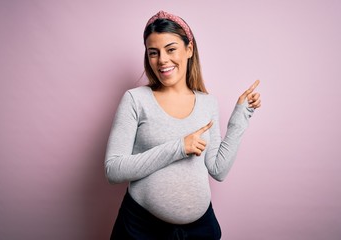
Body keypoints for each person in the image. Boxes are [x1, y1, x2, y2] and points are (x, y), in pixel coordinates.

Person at [105, 10, 261, 240]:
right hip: (142, 228)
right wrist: (178, 148)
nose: (162, 60)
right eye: (153, 53)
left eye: (171, 49)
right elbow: (113, 170)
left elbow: (218, 170)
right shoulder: (136, 99)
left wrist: (241, 117)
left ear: (189, 50)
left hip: (200, 230)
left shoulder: (208, 103)